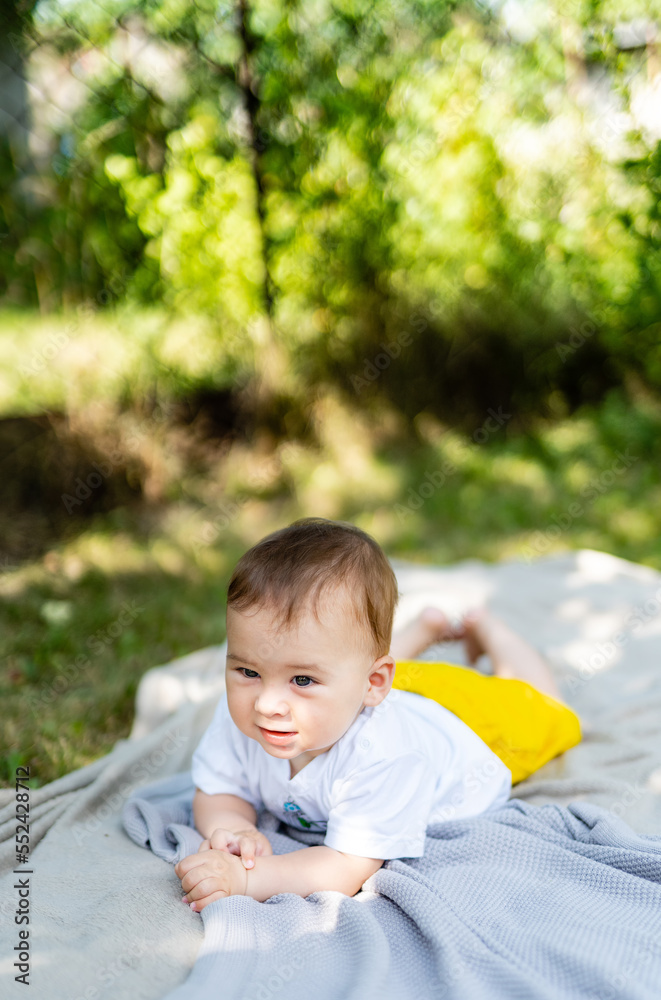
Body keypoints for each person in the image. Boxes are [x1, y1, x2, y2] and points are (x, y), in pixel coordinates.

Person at [175, 518, 580, 911]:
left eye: (301, 679)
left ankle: (487, 626)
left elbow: (344, 866)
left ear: (374, 683)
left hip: (468, 725)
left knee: (545, 707)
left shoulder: (385, 757)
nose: (266, 703)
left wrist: (247, 879)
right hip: (390, 690)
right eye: (248, 671)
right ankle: (427, 628)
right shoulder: (252, 712)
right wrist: (234, 829)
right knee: (347, 668)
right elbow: (218, 790)